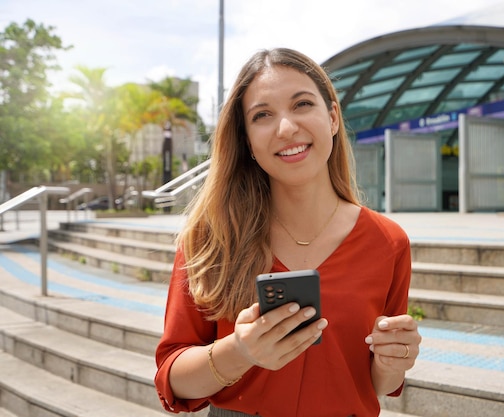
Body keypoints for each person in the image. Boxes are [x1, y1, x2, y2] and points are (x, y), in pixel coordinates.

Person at [154, 47, 422, 417]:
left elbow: (378, 385)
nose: (286, 128)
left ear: (331, 118)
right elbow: (173, 379)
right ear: (247, 139)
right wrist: (240, 352)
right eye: (262, 115)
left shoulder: (388, 242)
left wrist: (393, 364)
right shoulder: (210, 238)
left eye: (302, 105)